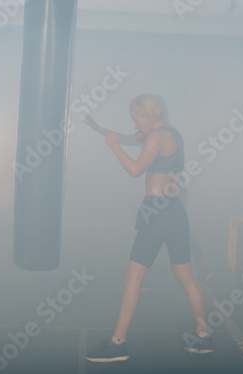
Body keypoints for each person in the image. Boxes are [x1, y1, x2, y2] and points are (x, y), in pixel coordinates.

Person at [84, 94, 213, 362]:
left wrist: (113, 148)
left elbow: (135, 169)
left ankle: (118, 343)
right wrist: (100, 130)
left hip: (157, 212)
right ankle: (203, 336)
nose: (134, 125)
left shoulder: (157, 137)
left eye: (137, 119)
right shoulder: (169, 134)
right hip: (173, 212)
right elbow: (127, 137)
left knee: (132, 279)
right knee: (187, 279)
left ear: (151, 115)